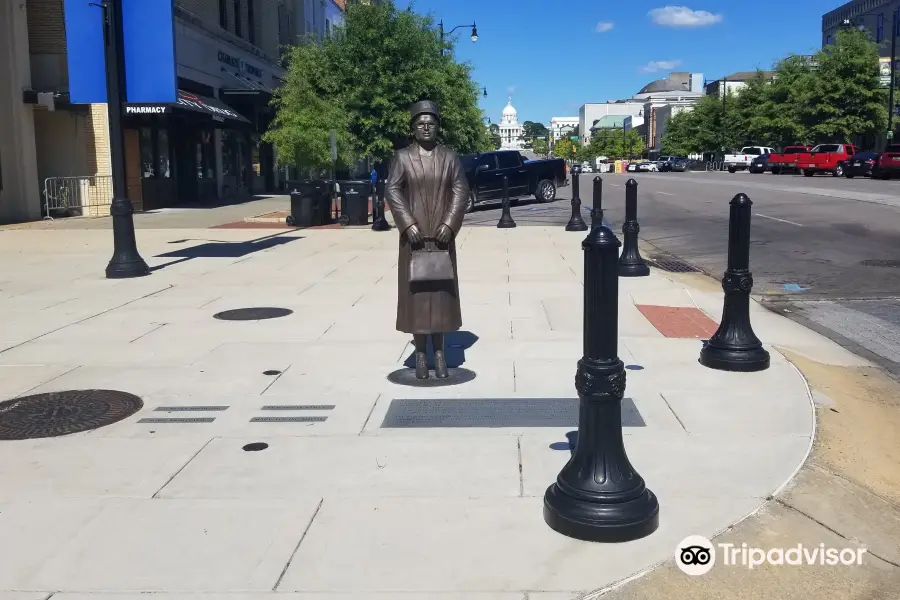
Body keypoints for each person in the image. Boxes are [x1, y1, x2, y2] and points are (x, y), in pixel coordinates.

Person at [384, 100, 469, 379]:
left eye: (431, 122)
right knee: (417, 298)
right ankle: (421, 355)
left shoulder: (449, 157)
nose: (426, 127)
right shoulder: (403, 158)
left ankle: (441, 353)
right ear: (413, 128)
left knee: (441, 296)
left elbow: (460, 191)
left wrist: (449, 223)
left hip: (442, 239)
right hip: (415, 240)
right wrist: (407, 224)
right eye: (420, 123)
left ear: (437, 126)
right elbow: (393, 191)